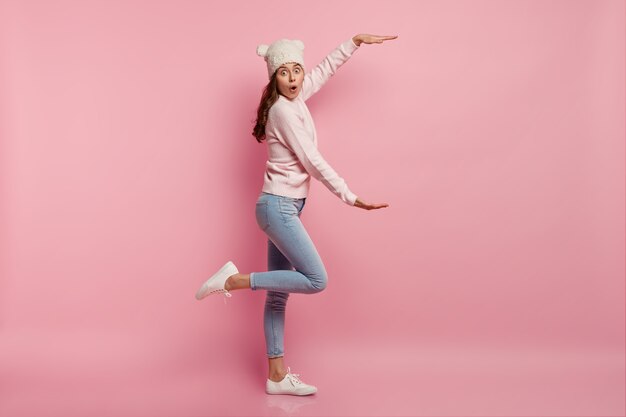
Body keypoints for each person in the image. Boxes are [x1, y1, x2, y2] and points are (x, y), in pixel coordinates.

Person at [195, 33, 397, 396]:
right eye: (283, 72)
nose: (293, 78)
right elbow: (311, 160)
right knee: (316, 279)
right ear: (273, 78)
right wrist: (349, 196)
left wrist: (352, 43)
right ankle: (234, 281)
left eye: (296, 71)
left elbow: (324, 71)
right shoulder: (283, 111)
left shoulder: (297, 97)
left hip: (281, 207)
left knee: (278, 296)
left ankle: (276, 376)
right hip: (278, 208)